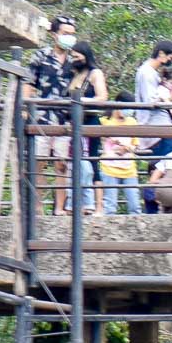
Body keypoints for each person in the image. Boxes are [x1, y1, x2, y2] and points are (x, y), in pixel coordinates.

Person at [25, 15, 75, 215]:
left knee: (62, 165)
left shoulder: (75, 60)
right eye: (65, 34)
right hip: (42, 117)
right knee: (39, 163)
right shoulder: (40, 56)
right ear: (54, 34)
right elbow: (28, 84)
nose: (69, 38)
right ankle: (37, 208)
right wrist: (24, 109)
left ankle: (59, 208)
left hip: (66, 119)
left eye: (72, 34)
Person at [134, 40, 172, 212]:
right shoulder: (146, 73)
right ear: (161, 54)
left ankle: (160, 208)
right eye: (170, 58)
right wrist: (171, 98)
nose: (170, 62)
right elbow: (151, 101)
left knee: (163, 168)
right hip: (157, 129)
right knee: (165, 168)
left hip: (160, 128)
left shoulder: (152, 73)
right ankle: (153, 209)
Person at [67, 40, 108, 214]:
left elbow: (102, 97)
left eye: (77, 55)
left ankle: (98, 206)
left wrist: (81, 100)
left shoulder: (94, 73)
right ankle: (75, 204)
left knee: (91, 162)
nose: (74, 58)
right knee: (73, 164)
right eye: (73, 56)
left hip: (90, 121)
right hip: (73, 123)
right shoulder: (73, 74)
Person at [99, 91, 142, 215]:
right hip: (109, 168)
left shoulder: (132, 122)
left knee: (135, 206)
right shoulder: (104, 121)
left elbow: (136, 144)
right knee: (110, 207)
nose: (129, 110)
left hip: (129, 169)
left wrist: (127, 149)